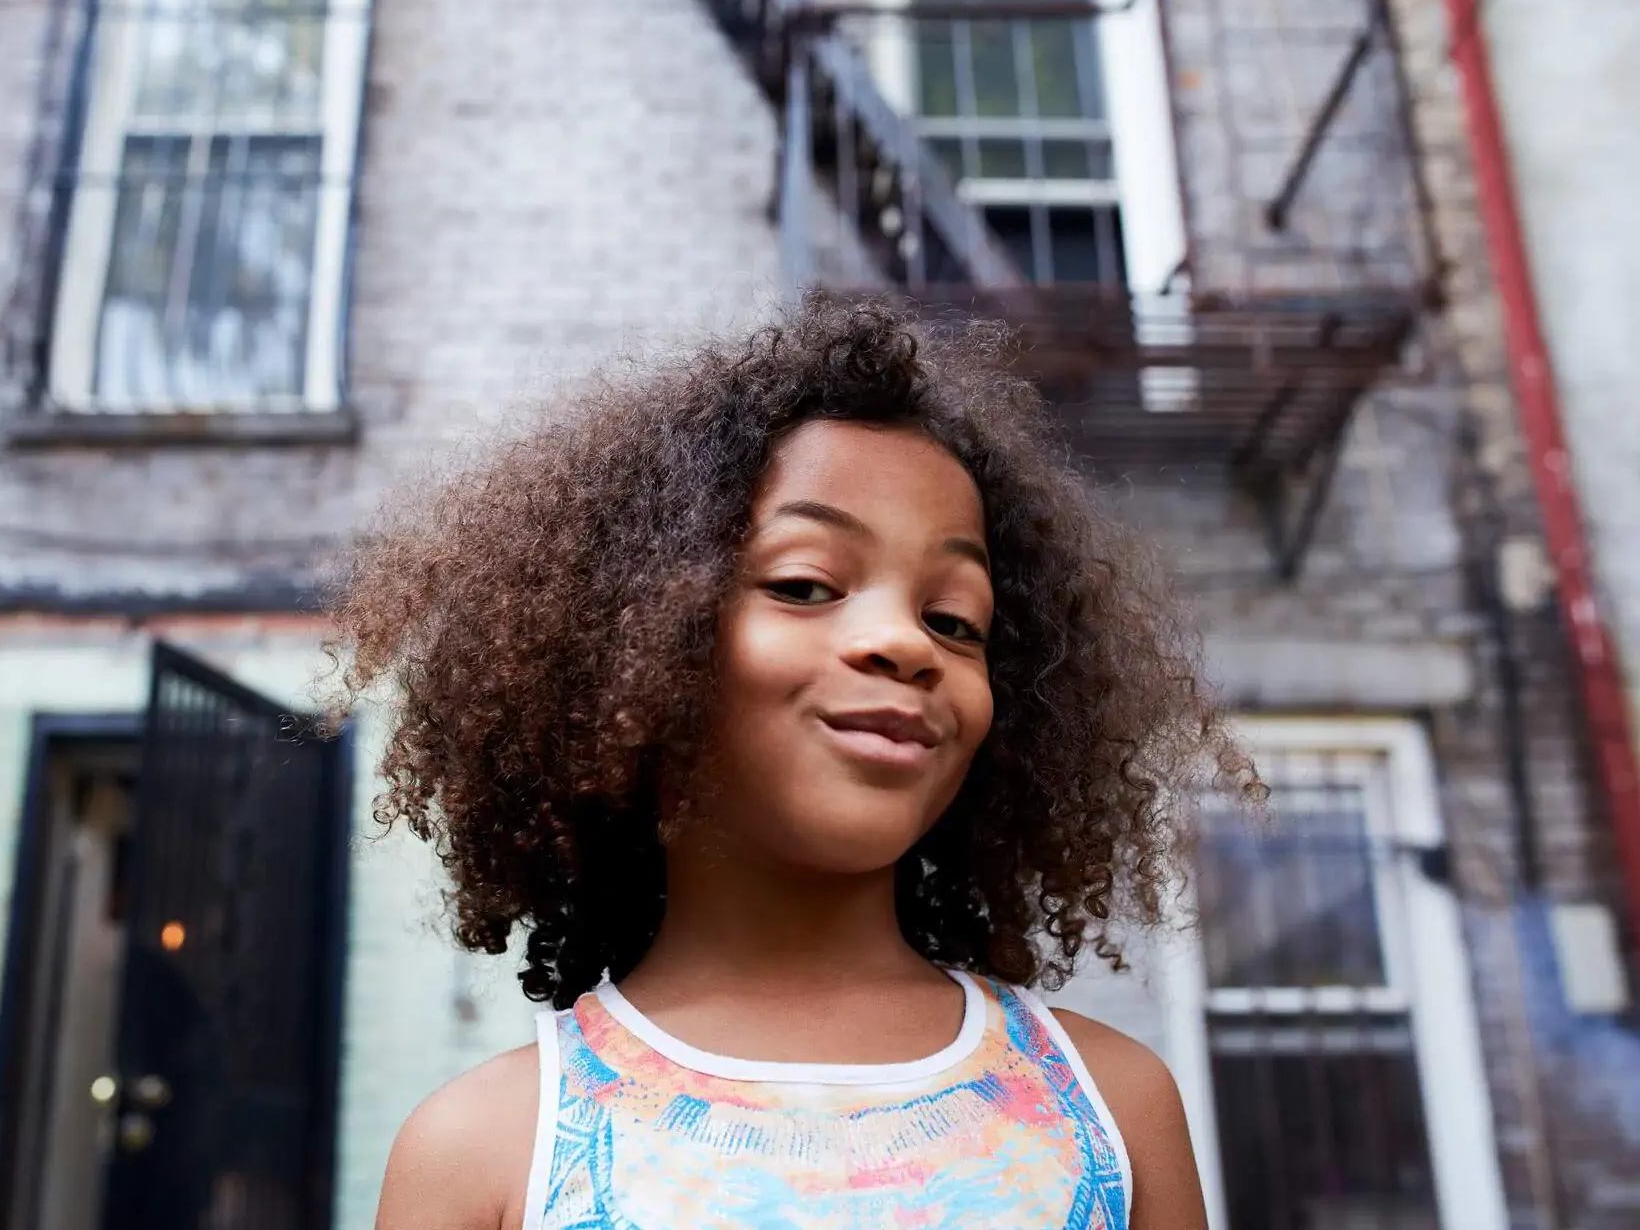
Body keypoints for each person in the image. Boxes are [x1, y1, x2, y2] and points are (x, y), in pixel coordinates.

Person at [336, 298, 1258, 1229]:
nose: (905, 642)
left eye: (954, 619)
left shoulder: (1115, 1111)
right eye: (804, 585)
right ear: (626, 646)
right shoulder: (485, 1150)